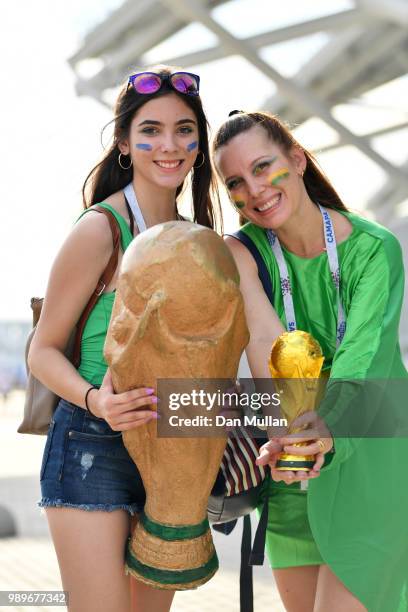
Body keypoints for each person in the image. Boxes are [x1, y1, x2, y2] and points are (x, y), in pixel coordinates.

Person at [28, 66, 220, 612]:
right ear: (124, 143)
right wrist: (97, 401)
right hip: (93, 441)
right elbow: (42, 350)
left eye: (185, 130)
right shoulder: (100, 230)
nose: (170, 144)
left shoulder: (201, 240)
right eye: (151, 130)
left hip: (174, 452)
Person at [212, 110, 408, 612]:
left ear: (297, 160)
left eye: (263, 167)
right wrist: (290, 436)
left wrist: (320, 429)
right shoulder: (242, 253)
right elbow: (262, 340)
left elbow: (360, 358)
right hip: (292, 468)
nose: (254, 190)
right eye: (235, 181)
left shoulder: (373, 249)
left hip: (369, 463)